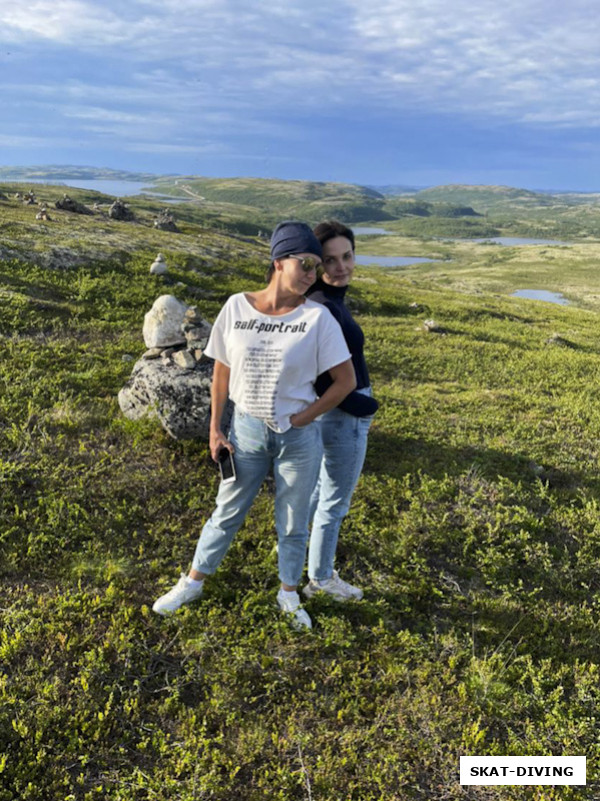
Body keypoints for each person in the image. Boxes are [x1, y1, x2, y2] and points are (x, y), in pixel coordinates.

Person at [153, 221, 356, 629]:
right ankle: (193, 582)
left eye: (317, 266)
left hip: (299, 439)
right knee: (226, 511)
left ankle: (288, 593)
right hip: (246, 429)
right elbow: (221, 373)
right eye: (306, 263)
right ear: (279, 261)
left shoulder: (318, 318)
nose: (313, 274)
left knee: (294, 520)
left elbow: (346, 382)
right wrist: (215, 428)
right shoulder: (236, 307)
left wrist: (304, 417)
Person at [303, 220, 379, 602]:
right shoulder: (320, 307)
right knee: (335, 501)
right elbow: (318, 375)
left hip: (336, 413)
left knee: (319, 491)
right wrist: (365, 405)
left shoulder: (321, 300)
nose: (341, 267)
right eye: (330, 260)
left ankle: (298, 550)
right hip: (345, 413)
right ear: (316, 264)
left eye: (346, 256)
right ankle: (320, 580)